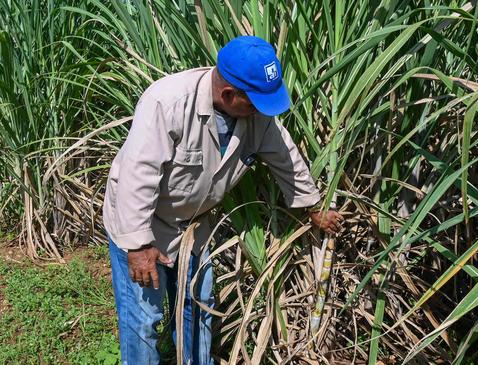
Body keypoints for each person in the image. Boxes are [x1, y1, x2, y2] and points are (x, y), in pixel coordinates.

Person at [103, 36, 343, 365]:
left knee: (197, 308)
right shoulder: (167, 102)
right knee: (144, 319)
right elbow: (138, 175)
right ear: (229, 95)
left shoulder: (255, 117)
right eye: (256, 102)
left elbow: (285, 156)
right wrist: (138, 244)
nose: (262, 110)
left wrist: (312, 206)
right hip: (146, 223)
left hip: (194, 227)